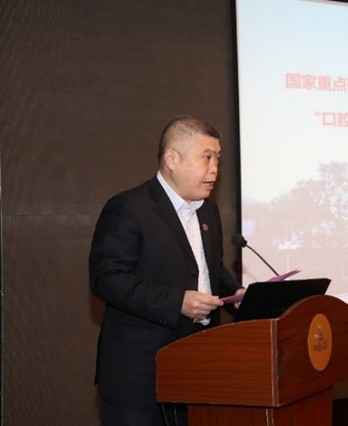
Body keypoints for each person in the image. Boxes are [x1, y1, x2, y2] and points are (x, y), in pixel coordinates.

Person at [89, 115, 245, 426]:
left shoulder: (208, 210)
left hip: (196, 369)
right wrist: (176, 302)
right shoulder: (130, 207)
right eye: (206, 157)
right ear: (172, 159)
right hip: (139, 376)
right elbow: (107, 279)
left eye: (218, 158)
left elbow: (208, 270)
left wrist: (236, 293)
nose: (215, 168)